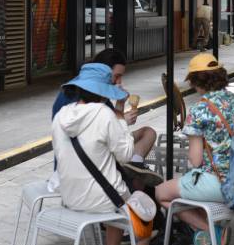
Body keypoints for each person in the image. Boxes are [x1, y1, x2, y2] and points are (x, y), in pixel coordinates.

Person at [52, 63, 165, 245]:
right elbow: (126, 154)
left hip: (70, 198)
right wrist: (120, 115)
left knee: (116, 197)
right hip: (102, 200)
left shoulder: (61, 116)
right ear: (104, 92)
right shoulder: (104, 114)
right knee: (143, 204)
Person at [155, 54, 234, 245]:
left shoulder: (200, 109)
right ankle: (212, 230)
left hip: (219, 183)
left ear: (196, 81)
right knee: (185, 188)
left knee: (162, 193)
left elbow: (196, 160)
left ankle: (210, 231)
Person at [52, 49, 157, 179]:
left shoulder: (93, 97)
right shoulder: (82, 101)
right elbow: (121, 150)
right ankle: (133, 174)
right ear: (103, 73)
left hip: (88, 156)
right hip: (87, 164)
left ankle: (135, 166)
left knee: (148, 132)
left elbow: (108, 129)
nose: (119, 82)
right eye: (116, 76)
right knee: (137, 181)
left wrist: (120, 106)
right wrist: (121, 119)